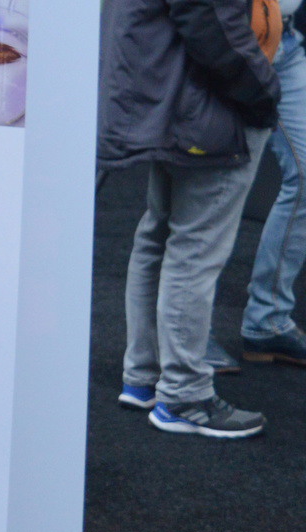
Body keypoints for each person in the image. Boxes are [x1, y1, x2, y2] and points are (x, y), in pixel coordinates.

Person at [101, 0, 281, 438]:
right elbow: (211, 22)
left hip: (174, 94)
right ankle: (183, 394)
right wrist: (263, 92)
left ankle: (145, 377)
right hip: (208, 101)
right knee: (194, 246)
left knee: (161, 234)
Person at [241, 2, 306, 366]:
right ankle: (184, 339)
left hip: (287, 40)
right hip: (234, 45)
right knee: (207, 194)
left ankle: (268, 320)